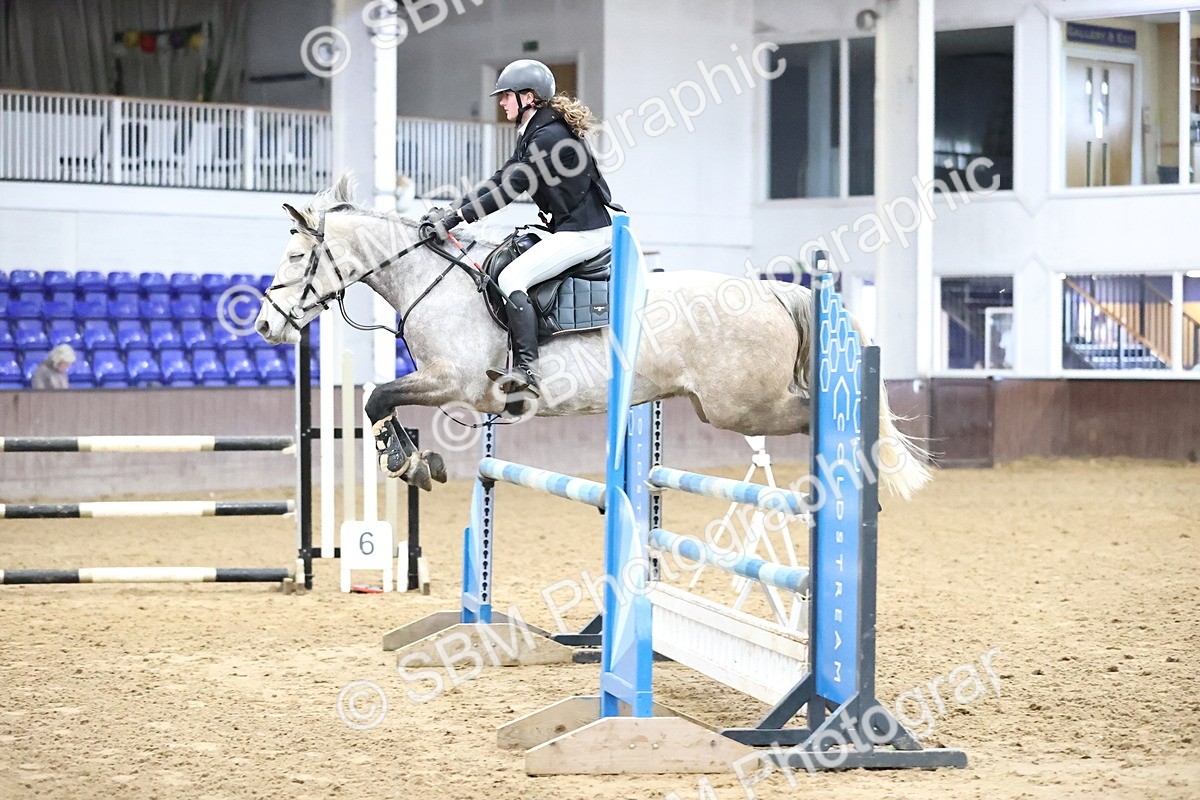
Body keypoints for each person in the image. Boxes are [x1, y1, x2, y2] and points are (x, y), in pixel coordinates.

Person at [419, 59, 620, 398]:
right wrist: (452, 210)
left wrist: (455, 220)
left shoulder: (548, 137)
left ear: (528, 97)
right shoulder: (537, 132)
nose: (501, 103)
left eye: (506, 96)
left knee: (511, 278)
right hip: (568, 230)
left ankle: (528, 370)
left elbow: (509, 191)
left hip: (584, 234)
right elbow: (500, 179)